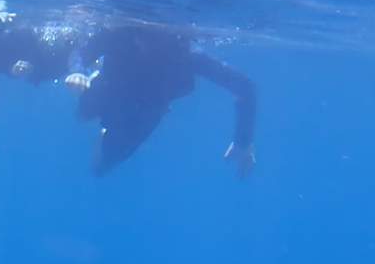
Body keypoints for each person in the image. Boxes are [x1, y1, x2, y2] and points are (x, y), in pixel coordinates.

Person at [64, 25, 257, 177]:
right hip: (111, 88)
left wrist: (243, 140)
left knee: (100, 169)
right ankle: (95, 95)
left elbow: (245, 86)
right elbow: (80, 51)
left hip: (147, 110)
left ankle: (105, 130)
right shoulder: (121, 33)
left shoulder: (186, 54)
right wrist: (78, 72)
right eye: (144, 35)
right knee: (82, 114)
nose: (147, 41)